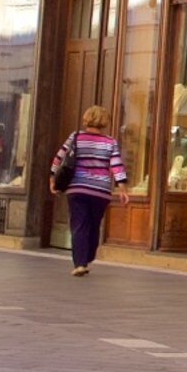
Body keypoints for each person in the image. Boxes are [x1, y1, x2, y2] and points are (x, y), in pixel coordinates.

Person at [52, 106, 124, 275]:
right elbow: (116, 164)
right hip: (100, 190)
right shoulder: (110, 142)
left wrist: (52, 178)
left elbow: (59, 157)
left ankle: (80, 263)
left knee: (79, 225)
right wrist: (122, 187)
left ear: (86, 119)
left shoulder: (76, 137)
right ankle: (88, 257)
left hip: (77, 188)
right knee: (94, 225)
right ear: (105, 121)